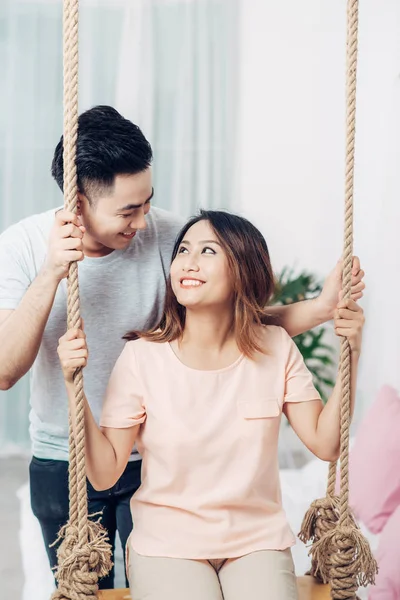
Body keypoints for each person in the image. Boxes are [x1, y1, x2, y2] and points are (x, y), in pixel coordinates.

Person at [0, 105, 364, 589]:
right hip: (67, 453)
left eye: (147, 200)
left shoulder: (171, 237)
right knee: (83, 590)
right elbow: (5, 369)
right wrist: (51, 273)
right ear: (79, 203)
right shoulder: (24, 247)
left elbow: (229, 322)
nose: (143, 218)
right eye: (128, 210)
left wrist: (320, 310)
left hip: (156, 456)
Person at [58, 210, 365, 600]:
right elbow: (103, 475)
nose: (188, 262)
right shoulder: (142, 358)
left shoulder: (275, 347)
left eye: (207, 251)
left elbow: (327, 444)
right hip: (167, 542)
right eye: (183, 249)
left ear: (244, 269)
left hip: (256, 540)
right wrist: (73, 385)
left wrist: (352, 351)